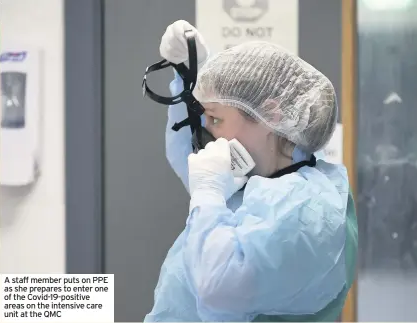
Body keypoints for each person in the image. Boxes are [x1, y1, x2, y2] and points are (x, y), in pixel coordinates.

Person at [144, 20, 358, 322]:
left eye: (215, 120)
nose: (205, 130)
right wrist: (190, 72)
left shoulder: (305, 212)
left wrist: (208, 193)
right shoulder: (264, 174)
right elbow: (188, 149)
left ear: (271, 113)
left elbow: (219, 285)